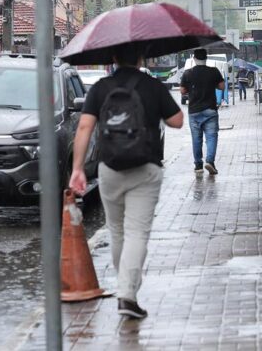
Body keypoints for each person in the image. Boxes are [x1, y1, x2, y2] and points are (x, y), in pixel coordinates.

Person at [69, 43, 183, 319]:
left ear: (114, 57)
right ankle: (127, 294)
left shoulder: (100, 87)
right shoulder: (153, 86)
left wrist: (78, 169)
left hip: (109, 170)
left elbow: (85, 127)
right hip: (145, 169)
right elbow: (177, 121)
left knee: (117, 232)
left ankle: (126, 288)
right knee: (137, 233)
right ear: (142, 57)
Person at [180, 49, 224, 175]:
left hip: (194, 111)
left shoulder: (188, 73)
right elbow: (222, 86)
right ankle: (210, 161)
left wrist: (192, 88)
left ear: (194, 58)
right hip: (210, 110)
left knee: (196, 138)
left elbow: (182, 91)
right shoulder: (213, 71)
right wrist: (211, 84)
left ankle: (198, 165)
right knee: (211, 137)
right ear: (206, 58)